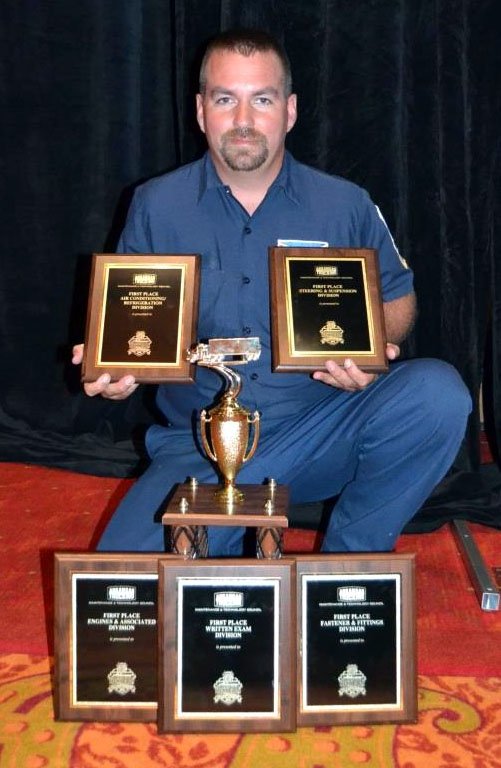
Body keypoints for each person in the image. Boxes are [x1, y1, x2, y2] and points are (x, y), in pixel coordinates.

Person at [72, 28, 471, 555]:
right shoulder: (154, 205)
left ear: (289, 110)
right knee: (130, 593)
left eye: (261, 99)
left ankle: (349, 562)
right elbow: (131, 319)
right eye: (224, 99)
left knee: (436, 393)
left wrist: (372, 351)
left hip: (323, 432)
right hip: (201, 451)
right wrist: (116, 368)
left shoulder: (345, 204)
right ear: (200, 111)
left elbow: (397, 298)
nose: (242, 121)